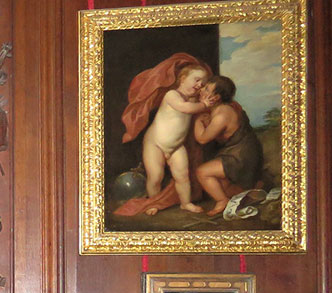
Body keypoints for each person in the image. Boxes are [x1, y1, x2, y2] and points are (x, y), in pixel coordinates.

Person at [113, 53, 212, 218]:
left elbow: (197, 109)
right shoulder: (172, 95)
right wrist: (204, 105)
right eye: (196, 79)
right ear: (182, 78)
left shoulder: (195, 100)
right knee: (156, 177)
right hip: (155, 144)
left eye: (203, 82)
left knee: (182, 175)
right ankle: (154, 203)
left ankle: (185, 203)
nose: (200, 84)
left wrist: (204, 103)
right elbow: (185, 108)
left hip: (176, 146)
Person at [192, 76, 264, 217]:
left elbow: (202, 139)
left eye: (206, 89)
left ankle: (222, 201)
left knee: (202, 172)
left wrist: (198, 121)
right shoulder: (222, 109)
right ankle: (251, 189)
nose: (202, 90)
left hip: (242, 156)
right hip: (236, 152)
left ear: (216, 97)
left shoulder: (222, 115)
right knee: (223, 187)